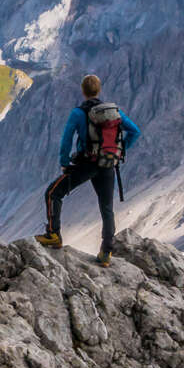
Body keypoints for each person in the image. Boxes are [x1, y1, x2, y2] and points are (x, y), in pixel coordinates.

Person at [35, 73, 141, 267]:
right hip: (108, 165)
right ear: (98, 90)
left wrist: (65, 162)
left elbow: (66, 139)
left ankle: (53, 235)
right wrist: (120, 151)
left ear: (83, 91)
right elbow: (135, 131)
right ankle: (106, 253)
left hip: (87, 164)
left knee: (53, 193)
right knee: (106, 207)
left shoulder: (78, 113)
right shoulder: (114, 112)